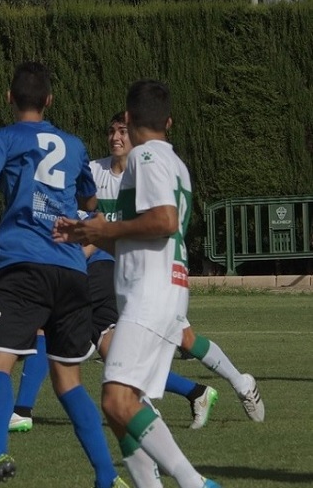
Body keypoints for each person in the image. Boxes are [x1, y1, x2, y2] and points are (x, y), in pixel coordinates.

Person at [0, 62, 128, 488]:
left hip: (24, 265)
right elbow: (91, 204)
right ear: (50, 101)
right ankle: (107, 476)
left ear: (9, 98)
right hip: (73, 269)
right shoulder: (73, 145)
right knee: (69, 378)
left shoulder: (4, 137)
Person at [54, 79, 221, 488]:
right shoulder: (174, 161)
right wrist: (96, 229)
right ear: (169, 121)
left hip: (151, 289)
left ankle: (194, 483)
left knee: (116, 399)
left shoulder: (144, 158)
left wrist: (104, 233)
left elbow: (162, 221)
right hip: (164, 288)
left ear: (127, 120)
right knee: (122, 406)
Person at [10, 113, 221, 432]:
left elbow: (107, 231)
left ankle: (23, 411)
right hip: (103, 270)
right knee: (111, 348)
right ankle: (195, 391)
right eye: (110, 131)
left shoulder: (143, 172)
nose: (115, 137)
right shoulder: (93, 172)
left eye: (122, 130)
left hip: (108, 269)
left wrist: (77, 253)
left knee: (52, 328)